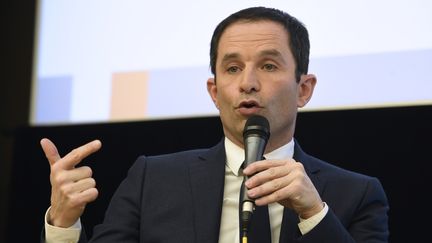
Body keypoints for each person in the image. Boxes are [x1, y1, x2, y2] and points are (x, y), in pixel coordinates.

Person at [41, 6, 389, 243]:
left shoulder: (356, 195)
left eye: (268, 66)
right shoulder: (153, 180)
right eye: (232, 68)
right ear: (214, 90)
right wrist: (63, 223)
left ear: (304, 89)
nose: (248, 83)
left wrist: (314, 213)